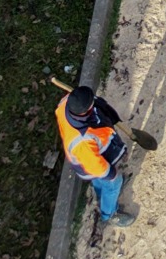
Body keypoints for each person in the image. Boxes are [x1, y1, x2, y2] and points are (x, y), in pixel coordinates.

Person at [56, 84, 135, 225]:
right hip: (90, 164)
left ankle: (101, 194)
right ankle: (109, 214)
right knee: (113, 182)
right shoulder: (82, 141)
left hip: (93, 156)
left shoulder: (66, 104)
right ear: (85, 111)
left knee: (101, 182)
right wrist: (111, 174)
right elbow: (96, 167)